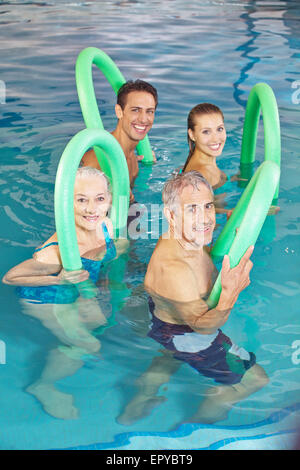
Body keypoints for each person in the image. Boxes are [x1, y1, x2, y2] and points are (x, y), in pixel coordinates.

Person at [118, 171, 269, 425]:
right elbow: (203, 325)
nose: (205, 217)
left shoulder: (184, 236)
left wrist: (236, 228)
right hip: (187, 331)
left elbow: (204, 236)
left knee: (172, 351)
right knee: (256, 380)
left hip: (165, 318)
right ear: (171, 215)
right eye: (192, 209)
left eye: (208, 206)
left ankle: (142, 396)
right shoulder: (176, 270)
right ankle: (200, 420)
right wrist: (230, 295)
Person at [2, 166, 126, 419]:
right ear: (66, 202)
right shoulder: (54, 252)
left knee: (99, 322)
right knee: (86, 343)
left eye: (99, 199)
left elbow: (114, 250)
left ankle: (67, 351)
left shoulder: (106, 226)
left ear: (109, 200)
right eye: (81, 200)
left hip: (75, 288)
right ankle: (43, 385)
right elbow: (10, 278)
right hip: (43, 296)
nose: (92, 209)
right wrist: (57, 279)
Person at [181, 103, 279, 216]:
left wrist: (232, 179)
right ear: (192, 134)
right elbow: (194, 213)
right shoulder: (202, 173)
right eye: (206, 132)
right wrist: (254, 212)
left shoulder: (202, 164)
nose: (216, 138)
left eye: (219, 129)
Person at [80, 79, 158, 204]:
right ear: (119, 111)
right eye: (135, 110)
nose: (144, 119)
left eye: (149, 111)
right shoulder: (98, 162)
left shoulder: (132, 158)